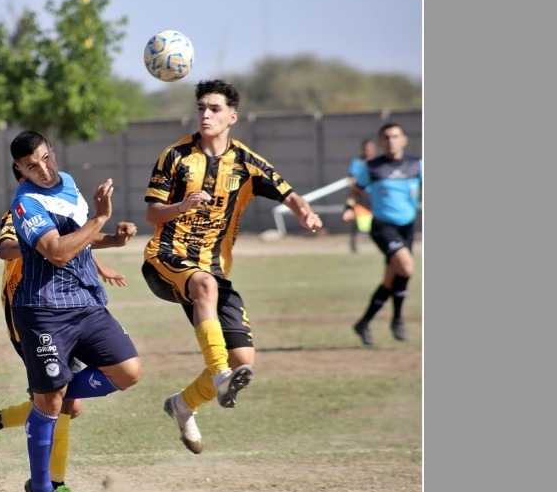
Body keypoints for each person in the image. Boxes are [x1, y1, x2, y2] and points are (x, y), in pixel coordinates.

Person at [141, 79, 322, 455]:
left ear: (232, 117)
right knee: (204, 288)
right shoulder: (175, 156)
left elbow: (286, 191)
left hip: (213, 270)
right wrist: (182, 206)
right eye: (201, 108)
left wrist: (304, 211)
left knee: (245, 362)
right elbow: (151, 212)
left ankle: (183, 404)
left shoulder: (246, 162)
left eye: (215, 109)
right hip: (166, 257)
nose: (206, 114)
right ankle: (221, 376)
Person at [0, 165, 130, 492]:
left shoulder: (60, 206)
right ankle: (54, 486)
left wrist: (103, 258)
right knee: (61, 401)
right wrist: (36, 247)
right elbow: (4, 247)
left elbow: (73, 245)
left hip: (68, 306)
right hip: (32, 311)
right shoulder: (20, 209)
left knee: (64, 400)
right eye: (31, 168)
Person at [7, 130, 142, 492]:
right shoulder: (25, 203)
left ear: (53, 151)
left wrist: (112, 238)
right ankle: (41, 486)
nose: (43, 169)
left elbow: (79, 236)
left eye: (45, 158)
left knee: (128, 371)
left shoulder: (67, 183)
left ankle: (50, 395)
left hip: (86, 303)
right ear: (20, 171)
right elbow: (57, 252)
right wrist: (100, 217)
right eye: (31, 166)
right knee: (50, 400)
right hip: (43, 310)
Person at [351, 122, 422, 347]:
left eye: (395, 136)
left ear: (404, 139)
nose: (391, 141)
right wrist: (348, 207)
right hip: (382, 226)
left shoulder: (416, 164)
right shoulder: (372, 166)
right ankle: (397, 319)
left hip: (407, 226)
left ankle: (363, 323)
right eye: (387, 137)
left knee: (392, 279)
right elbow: (355, 191)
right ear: (381, 141)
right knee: (407, 267)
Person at [341, 139, 377, 253]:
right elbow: (352, 179)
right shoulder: (357, 162)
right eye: (367, 149)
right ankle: (353, 242)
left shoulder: (378, 162)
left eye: (371, 149)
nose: (369, 151)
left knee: (376, 220)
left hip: (374, 195)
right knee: (354, 220)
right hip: (360, 194)